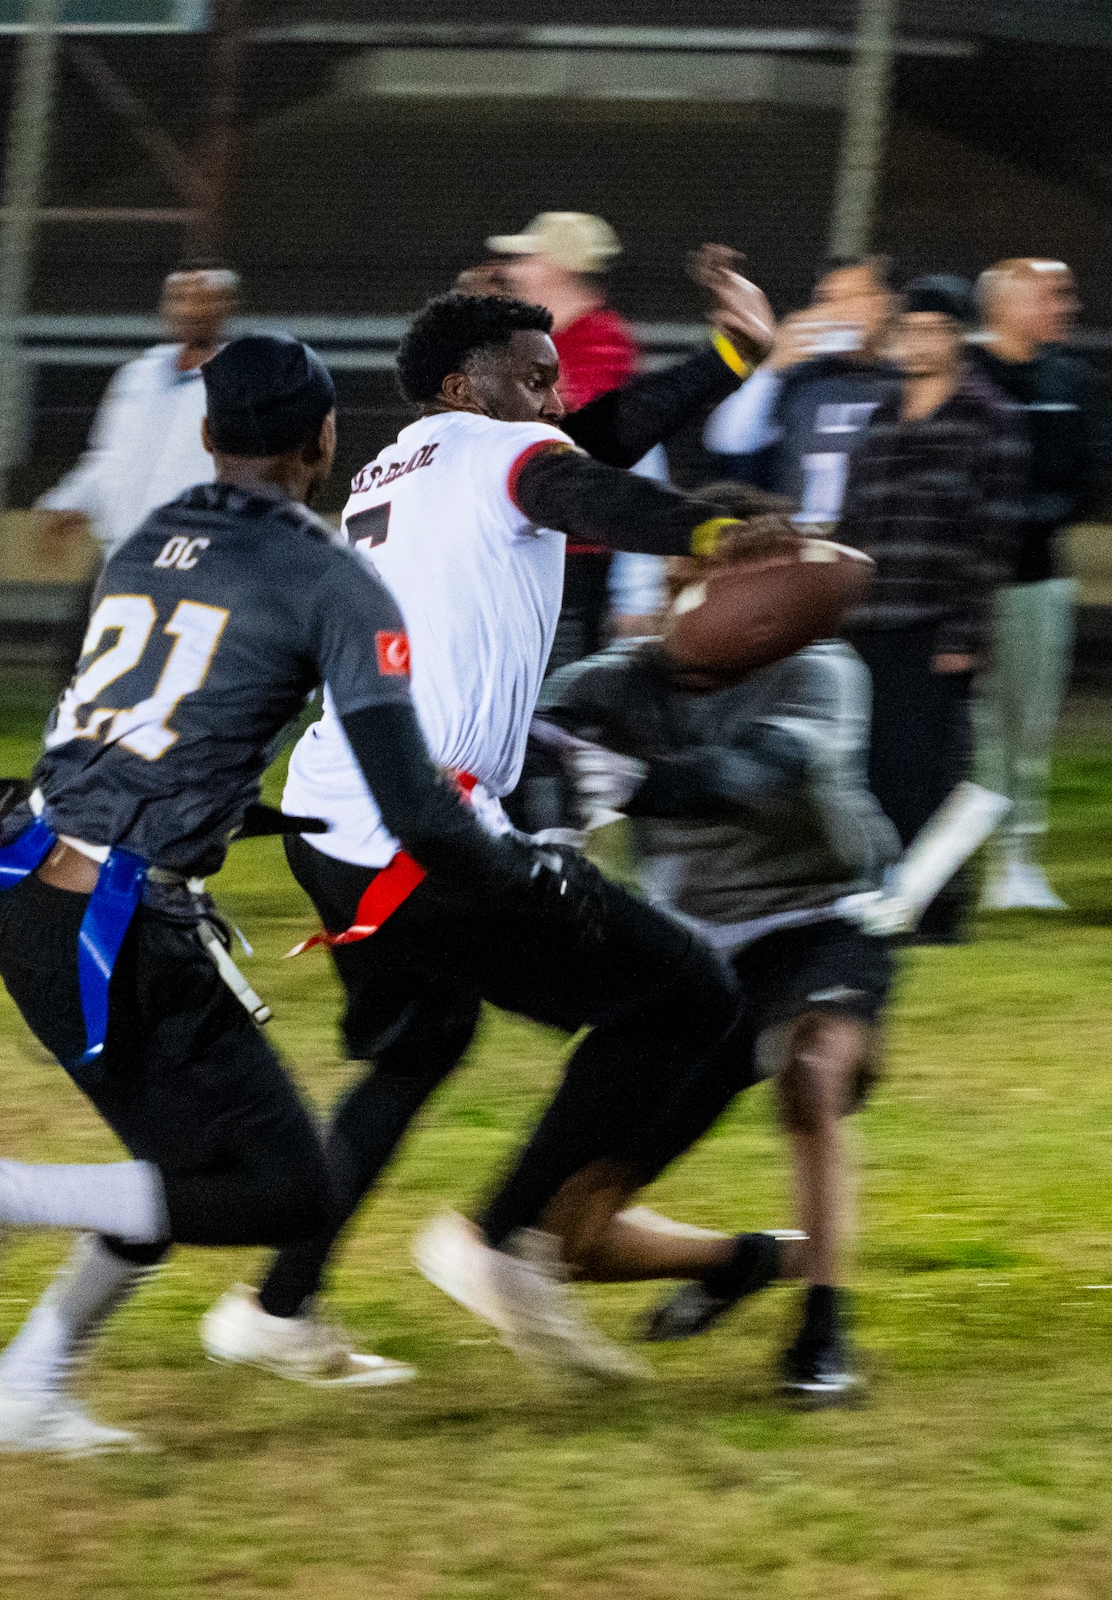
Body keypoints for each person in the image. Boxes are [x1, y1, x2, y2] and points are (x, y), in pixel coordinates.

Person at [0, 333, 603, 1452]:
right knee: (285, 1191)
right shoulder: (333, 580)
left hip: (26, 885)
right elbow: (412, 805)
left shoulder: (142, 544)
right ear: (323, 440)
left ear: (210, 434)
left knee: (175, 1169)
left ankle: (21, 1393)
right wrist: (530, 872)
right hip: (119, 924)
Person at [200, 272, 781, 1386]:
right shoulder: (496, 456)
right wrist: (713, 529)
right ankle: (504, 1243)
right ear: (468, 387)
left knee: (420, 1047)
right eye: (536, 378)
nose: (558, 399)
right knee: (687, 993)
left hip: (334, 815)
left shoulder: (405, 463)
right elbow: (594, 492)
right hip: (421, 831)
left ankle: (278, 1304)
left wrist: (723, 361)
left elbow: (590, 449)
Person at [534, 527, 903, 1405]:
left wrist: (610, 776)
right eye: (687, 589)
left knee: (809, 1071)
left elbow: (738, 777)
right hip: (690, 952)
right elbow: (524, 762)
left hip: (817, 921)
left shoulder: (821, 670)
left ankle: (825, 1331)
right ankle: (754, 1260)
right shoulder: (614, 680)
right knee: (567, 1242)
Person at [836, 276, 1026, 943]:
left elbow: (993, 535)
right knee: (873, 768)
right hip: (869, 620)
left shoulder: (990, 419)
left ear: (957, 338)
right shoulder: (883, 414)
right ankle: (887, 897)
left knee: (932, 771)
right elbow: (852, 518)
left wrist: (965, 631)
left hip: (936, 622)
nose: (913, 342)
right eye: (906, 329)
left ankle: (939, 912)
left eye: (928, 330)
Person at [968, 259, 1112, 912]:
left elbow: (1098, 469)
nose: (1067, 305)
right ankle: (959, 862)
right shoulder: (966, 375)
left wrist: (1037, 518)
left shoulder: (1071, 378)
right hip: (968, 580)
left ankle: (1018, 863)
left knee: (1027, 724)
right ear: (1004, 305)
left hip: (1037, 578)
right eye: (1052, 294)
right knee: (974, 727)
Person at [35, 266, 236, 672]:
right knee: (75, 668)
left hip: (189, 560)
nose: (192, 309)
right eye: (182, 298)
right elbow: (108, 456)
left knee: (162, 676)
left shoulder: (240, 383)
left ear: (226, 310)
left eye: (205, 299)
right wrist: (65, 505)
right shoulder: (137, 375)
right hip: (120, 551)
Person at [486, 212, 645, 674]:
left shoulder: (604, 340)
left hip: (570, 555)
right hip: (518, 539)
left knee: (552, 694)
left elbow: (568, 424)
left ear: (560, 266)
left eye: (527, 258)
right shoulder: (540, 336)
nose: (512, 270)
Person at [703, 253, 902, 522]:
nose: (841, 311)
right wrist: (770, 368)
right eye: (830, 300)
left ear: (884, 304)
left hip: (881, 544)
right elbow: (729, 441)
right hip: (802, 548)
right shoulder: (797, 377)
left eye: (855, 297)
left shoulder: (906, 383)